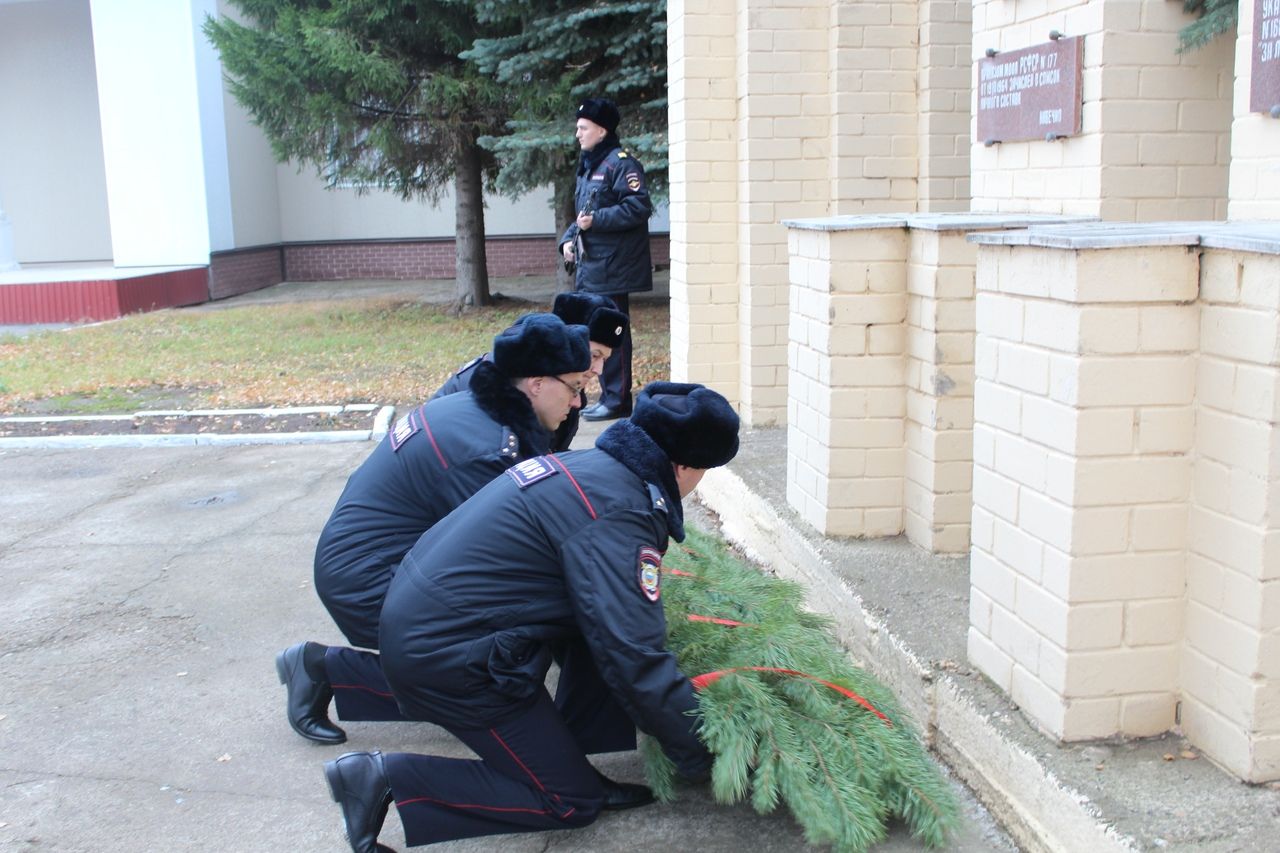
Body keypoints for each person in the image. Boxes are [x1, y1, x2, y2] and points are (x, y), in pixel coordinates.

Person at [321, 381, 740, 852]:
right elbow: (635, 655)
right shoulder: (619, 511)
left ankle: (565, 758)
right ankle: (384, 778)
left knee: (594, 632)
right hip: (452, 659)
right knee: (568, 802)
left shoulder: (593, 467)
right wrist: (702, 750)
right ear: (684, 465)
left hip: (435, 623)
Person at [275, 314, 591, 745]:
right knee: (493, 665)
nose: (578, 403)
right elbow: (508, 556)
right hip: (368, 580)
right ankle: (326, 672)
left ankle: (324, 670)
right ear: (536, 383)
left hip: (372, 559)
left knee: (516, 632)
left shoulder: (481, 408)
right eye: (574, 388)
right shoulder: (484, 451)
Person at [431, 292, 626, 451]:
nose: (599, 370)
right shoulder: (501, 383)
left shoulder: (558, 379)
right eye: (594, 355)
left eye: (605, 360)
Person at [558, 98, 652, 422]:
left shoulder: (620, 163)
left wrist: (597, 220)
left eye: (582, 128)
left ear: (601, 130)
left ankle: (618, 401)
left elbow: (638, 207)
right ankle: (603, 396)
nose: (577, 134)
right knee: (594, 332)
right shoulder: (591, 166)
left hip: (614, 266)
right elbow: (583, 214)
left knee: (613, 335)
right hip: (592, 266)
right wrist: (567, 240)